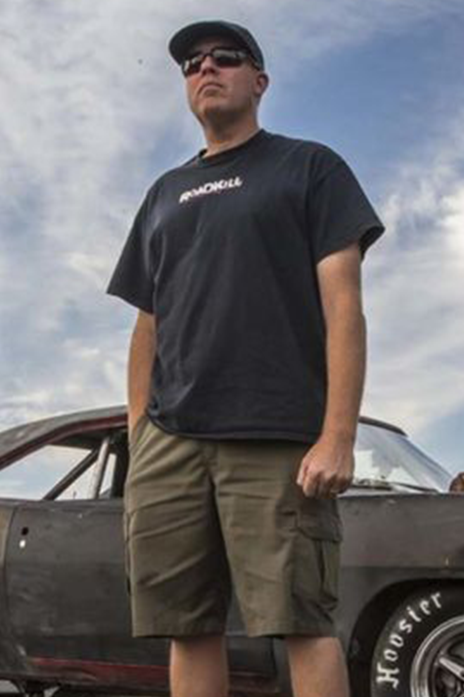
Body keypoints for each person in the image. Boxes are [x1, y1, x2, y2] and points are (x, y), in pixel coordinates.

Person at [107, 20, 384, 697]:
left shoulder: (309, 167)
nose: (206, 68)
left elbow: (343, 304)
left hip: (277, 438)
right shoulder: (164, 193)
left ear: (258, 81)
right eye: (192, 63)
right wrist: (141, 430)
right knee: (188, 626)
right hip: (172, 443)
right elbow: (148, 321)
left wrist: (338, 434)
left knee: (302, 623)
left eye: (225, 58)